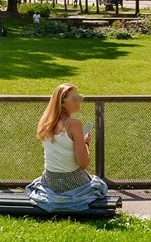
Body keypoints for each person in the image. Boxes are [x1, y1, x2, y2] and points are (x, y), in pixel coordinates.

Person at [25, 83, 108, 212]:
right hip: (73, 181)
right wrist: (85, 143)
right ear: (62, 103)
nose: (79, 101)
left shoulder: (45, 124)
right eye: (74, 99)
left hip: (50, 182)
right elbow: (84, 163)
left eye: (79, 97)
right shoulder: (74, 125)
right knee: (99, 185)